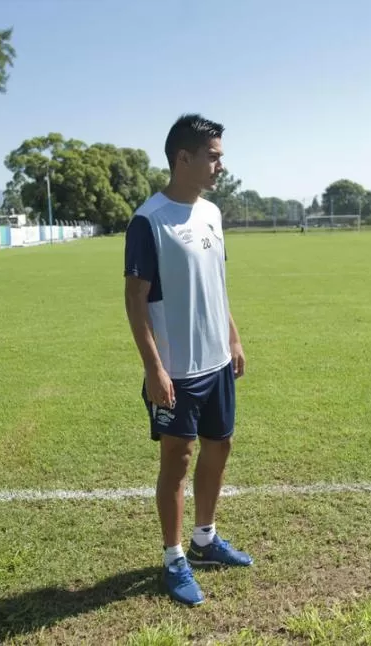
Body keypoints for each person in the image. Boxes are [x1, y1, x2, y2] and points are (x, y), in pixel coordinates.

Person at [123, 114, 253, 607]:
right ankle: (174, 558)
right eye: (214, 155)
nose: (221, 164)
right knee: (176, 460)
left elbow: (217, 285)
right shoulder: (148, 220)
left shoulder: (213, 214)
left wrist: (234, 338)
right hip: (175, 370)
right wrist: (154, 368)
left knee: (220, 447)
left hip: (216, 362)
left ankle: (205, 539)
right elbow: (135, 300)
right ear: (185, 158)